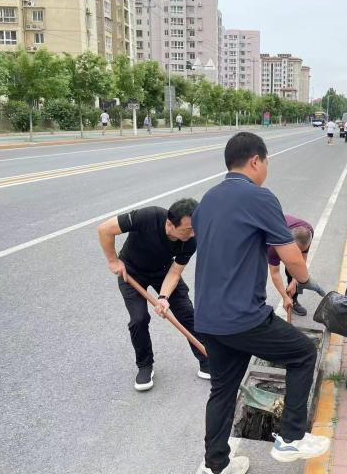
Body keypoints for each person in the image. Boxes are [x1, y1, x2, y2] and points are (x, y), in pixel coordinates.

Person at [193, 132, 330, 474]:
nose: (267, 168)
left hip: (208, 316)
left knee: (222, 391)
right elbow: (291, 256)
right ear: (255, 160)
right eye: (266, 161)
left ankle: (216, 465)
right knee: (303, 353)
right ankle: (291, 438)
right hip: (243, 316)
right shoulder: (259, 197)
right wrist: (305, 279)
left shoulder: (207, 199)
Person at [97, 198, 209, 392]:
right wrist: (113, 261)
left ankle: (206, 360)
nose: (193, 233)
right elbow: (105, 229)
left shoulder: (191, 241)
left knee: (185, 311)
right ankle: (145, 366)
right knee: (139, 319)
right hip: (131, 271)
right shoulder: (148, 216)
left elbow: (175, 273)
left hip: (163, 270)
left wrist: (163, 298)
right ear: (170, 224)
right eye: (189, 229)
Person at [268, 215, 315, 317]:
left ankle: (293, 300)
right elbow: (275, 273)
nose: (298, 254)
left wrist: (294, 282)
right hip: (261, 235)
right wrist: (285, 297)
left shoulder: (308, 232)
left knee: (294, 267)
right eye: (296, 251)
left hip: (282, 228)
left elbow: (301, 261)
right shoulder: (273, 245)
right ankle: (257, 304)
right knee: (257, 270)